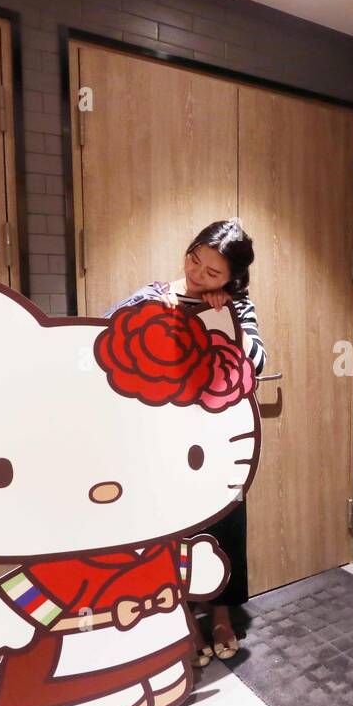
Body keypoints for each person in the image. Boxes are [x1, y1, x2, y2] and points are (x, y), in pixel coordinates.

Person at [104, 217, 266, 665]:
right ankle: (178, 614)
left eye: (212, 273)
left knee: (226, 521)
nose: (197, 275)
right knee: (170, 528)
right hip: (164, 436)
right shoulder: (153, 295)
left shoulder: (237, 306)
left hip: (217, 437)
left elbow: (255, 360)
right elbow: (102, 335)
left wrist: (223, 314)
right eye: (194, 260)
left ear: (232, 279)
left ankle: (220, 612)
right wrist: (156, 309)